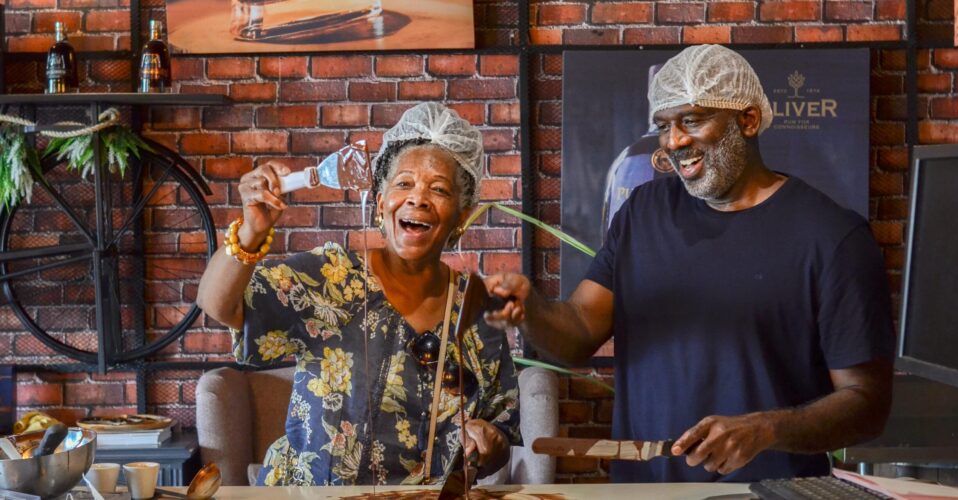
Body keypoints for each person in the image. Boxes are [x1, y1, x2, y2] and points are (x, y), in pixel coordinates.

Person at [485, 44, 894, 483]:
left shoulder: (831, 237)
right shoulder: (642, 214)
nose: (675, 140)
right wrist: (532, 312)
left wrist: (767, 428)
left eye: (692, 120)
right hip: (644, 496)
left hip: (770, 496)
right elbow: (580, 332)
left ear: (748, 120)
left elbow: (866, 403)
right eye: (664, 125)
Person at [197, 102, 520, 486]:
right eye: (403, 183)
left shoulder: (476, 310)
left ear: (461, 217)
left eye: (439, 189)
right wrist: (251, 228)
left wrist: (488, 439)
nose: (417, 197)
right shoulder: (330, 278)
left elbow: (500, 434)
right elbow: (219, 305)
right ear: (381, 203)